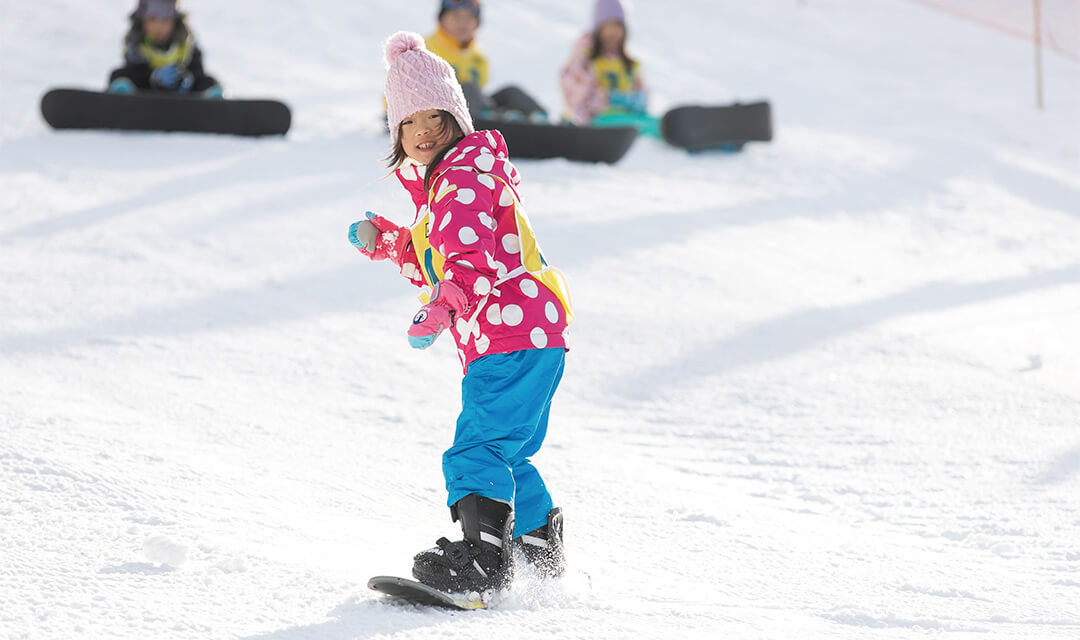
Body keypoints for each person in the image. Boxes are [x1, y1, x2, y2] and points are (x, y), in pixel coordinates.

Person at [348, 32, 573, 593]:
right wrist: (393, 243)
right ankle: (538, 547)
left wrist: (443, 308)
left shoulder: (463, 178)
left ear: (457, 121)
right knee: (508, 448)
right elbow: (442, 257)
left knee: (479, 446)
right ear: (397, 132)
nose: (423, 131)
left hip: (510, 334)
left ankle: (482, 561)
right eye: (410, 122)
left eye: (436, 118)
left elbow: (468, 260)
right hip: (531, 331)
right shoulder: (451, 184)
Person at [425, 0, 546, 120]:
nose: (462, 23)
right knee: (466, 87)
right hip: (440, 112)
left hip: (473, 109)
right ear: (441, 20)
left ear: (477, 24)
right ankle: (488, 119)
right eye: (456, 17)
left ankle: (538, 120)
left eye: (469, 18)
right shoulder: (424, 49)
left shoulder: (478, 58)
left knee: (511, 92)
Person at [559, 0, 659, 136]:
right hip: (597, 121)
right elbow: (572, 89)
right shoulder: (587, 59)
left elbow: (643, 98)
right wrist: (599, 100)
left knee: (650, 123)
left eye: (618, 25)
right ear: (598, 28)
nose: (613, 31)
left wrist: (629, 100)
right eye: (608, 25)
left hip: (629, 118)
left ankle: (680, 132)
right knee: (639, 127)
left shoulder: (629, 64)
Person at [107, 0, 223, 99]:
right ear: (142, 21)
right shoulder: (136, 45)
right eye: (153, 19)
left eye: (165, 21)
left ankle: (214, 101)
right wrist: (153, 77)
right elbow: (135, 70)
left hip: (183, 95)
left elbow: (197, 70)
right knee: (119, 75)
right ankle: (120, 99)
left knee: (209, 82)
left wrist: (188, 78)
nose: (159, 27)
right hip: (145, 94)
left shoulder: (186, 44)